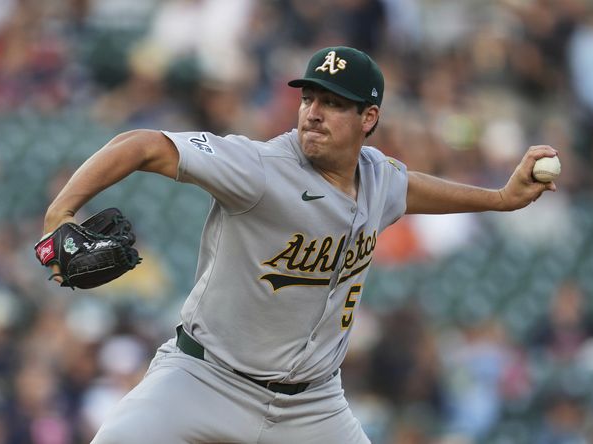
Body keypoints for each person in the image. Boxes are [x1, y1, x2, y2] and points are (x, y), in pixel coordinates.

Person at [40, 46, 558, 443]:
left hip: (313, 407)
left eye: (333, 103)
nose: (313, 112)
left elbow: (411, 189)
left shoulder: (378, 177)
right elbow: (142, 145)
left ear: (368, 119)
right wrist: (59, 214)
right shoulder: (260, 168)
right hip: (205, 379)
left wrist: (498, 199)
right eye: (309, 98)